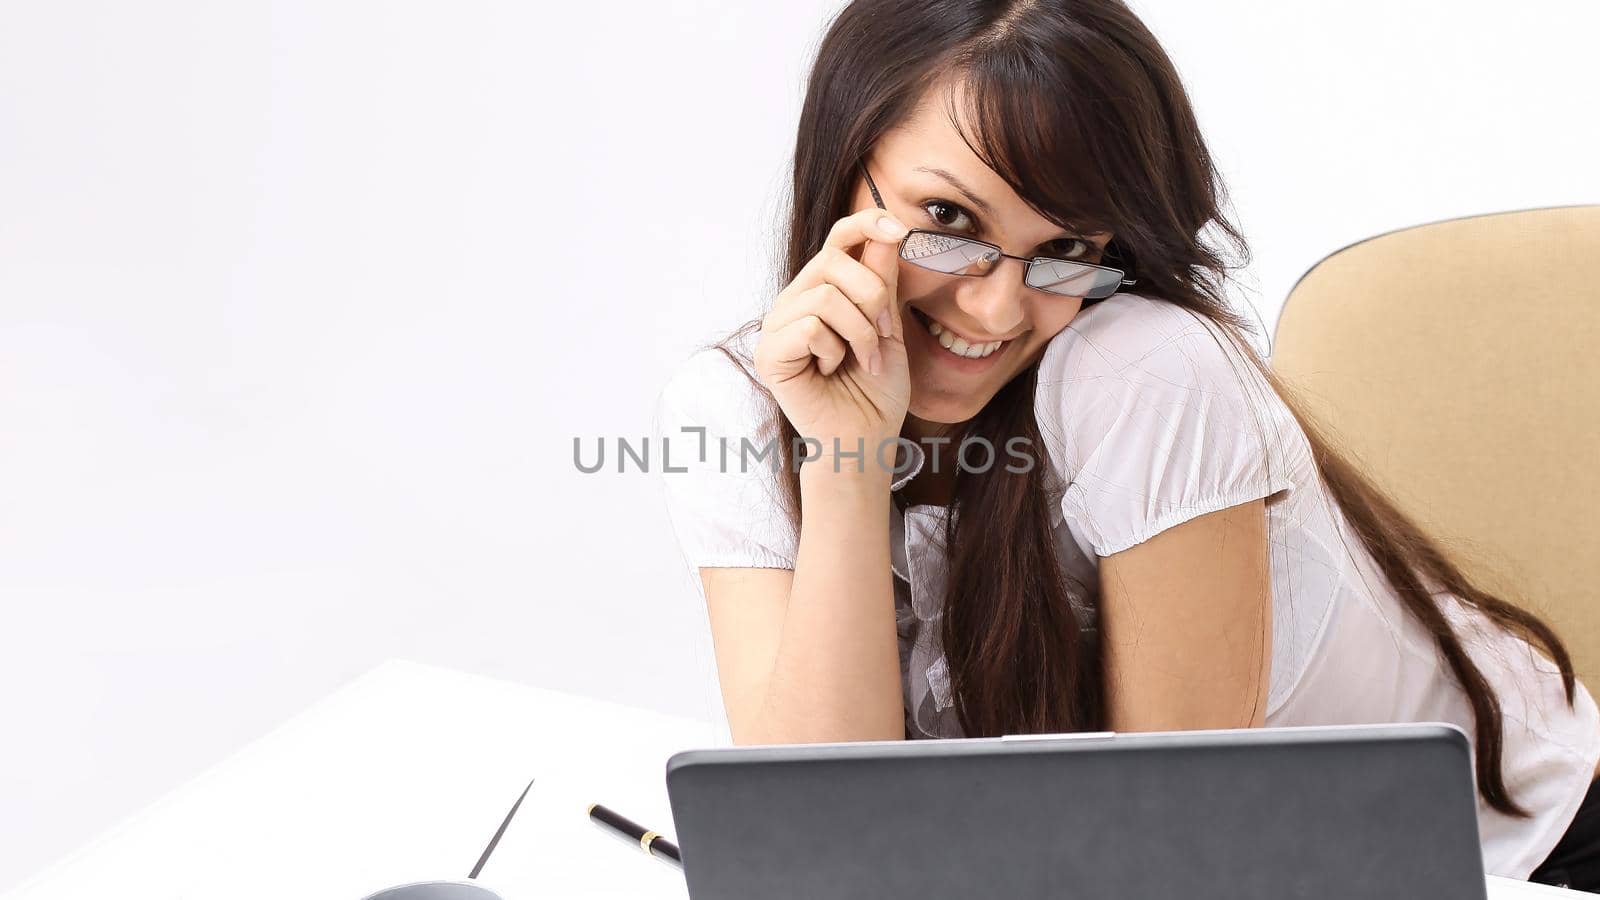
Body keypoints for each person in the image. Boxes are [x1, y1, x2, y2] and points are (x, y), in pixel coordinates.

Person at [651, 0, 1599, 888]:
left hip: (1512, 863)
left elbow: (1173, 860)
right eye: (947, 220)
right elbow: (826, 852)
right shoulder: (739, 404)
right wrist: (847, 462)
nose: (994, 306)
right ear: (842, 159)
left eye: (1067, 250)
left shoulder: (1143, 372)